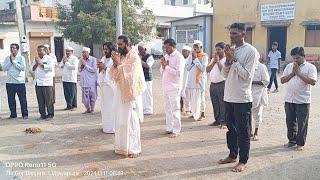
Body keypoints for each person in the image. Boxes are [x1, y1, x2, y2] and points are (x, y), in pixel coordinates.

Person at [218, 23, 259, 172]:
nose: (231, 36)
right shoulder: (231, 50)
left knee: (243, 131)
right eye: (230, 33)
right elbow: (224, 74)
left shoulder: (251, 51)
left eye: (235, 33)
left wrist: (233, 60)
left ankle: (243, 160)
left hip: (242, 98)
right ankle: (232, 155)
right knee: (231, 130)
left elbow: (246, 76)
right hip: (228, 96)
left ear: (244, 34)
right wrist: (228, 60)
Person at [110, 35, 146, 158]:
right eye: (117, 44)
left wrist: (119, 64)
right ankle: (122, 147)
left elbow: (132, 77)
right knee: (121, 121)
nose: (118, 47)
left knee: (131, 122)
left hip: (131, 94)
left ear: (127, 44)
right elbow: (114, 75)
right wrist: (115, 64)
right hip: (120, 93)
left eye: (120, 44)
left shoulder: (134, 57)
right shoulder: (122, 56)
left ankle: (134, 149)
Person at [281, 47, 317, 151]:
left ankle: (300, 143)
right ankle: (292, 141)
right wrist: (293, 73)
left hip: (302, 100)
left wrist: (298, 73)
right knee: (290, 121)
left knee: (302, 123)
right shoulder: (289, 66)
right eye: (294, 58)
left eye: (298, 58)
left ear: (303, 56)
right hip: (289, 99)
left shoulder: (310, 67)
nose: (295, 60)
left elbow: (313, 82)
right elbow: (283, 80)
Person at [160, 38, 184, 138]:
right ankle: (169, 128)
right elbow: (162, 71)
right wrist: (163, 66)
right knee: (167, 108)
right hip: (165, 86)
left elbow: (178, 73)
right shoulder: (166, 56)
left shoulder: (179, 57)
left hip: (174, 86)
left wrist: (167, 67)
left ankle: (176, 130)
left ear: (173, 47)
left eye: (168, 47)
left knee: (175, 108)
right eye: (165, 48)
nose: (166, 50)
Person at [2, 43, 28, 119]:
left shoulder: (21, 58)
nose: (12, 49)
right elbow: (4, 68)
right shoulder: (7, 58)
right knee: (11, 99)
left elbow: (22, 68)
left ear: (17, 49)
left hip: (19, 82)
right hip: (10, 82)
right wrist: (10, 61)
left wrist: (14, 62)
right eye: (11, 48)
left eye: (13, 48)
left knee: (22, 99)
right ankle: (13, 114)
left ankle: (25, 114)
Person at [185, 40, 208, 121]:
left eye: (196, 47)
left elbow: (202, 69)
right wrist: (192, 60)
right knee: (192, 98)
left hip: (200, 81)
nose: (195, 49)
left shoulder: (204, 56)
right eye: (194, 47)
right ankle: (195, 113)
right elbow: (187, 68)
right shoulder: (191, 56)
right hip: (191, 80)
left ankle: (202, 114)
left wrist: (196, 60)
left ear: (201, 47)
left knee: (201, 97)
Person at [32, 45, 55, 120]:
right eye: (38, 50)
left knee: (49, 100)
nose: (39, 52)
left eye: (40, 50)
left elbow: (50, 68)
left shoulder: (49, 59)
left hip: (46, 82)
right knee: (40, 100)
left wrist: (41, 63)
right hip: (38, 83)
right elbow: (32, 69)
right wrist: (36, 63)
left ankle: (50, 114)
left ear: (45, 50)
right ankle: (42, 115)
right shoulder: (36, 59)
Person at [97, 42, 116, 134]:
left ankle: (112, 128)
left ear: (111, 49)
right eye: (104, 49)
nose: (105, 51)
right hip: (104, 86)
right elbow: (100, 72)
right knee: (104, 108)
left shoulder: (114, 59)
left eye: (106, 49)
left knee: (111, 108)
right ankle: (106, 126)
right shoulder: (103, 58)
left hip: (111, 87)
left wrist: (105, 68)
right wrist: (100, 69)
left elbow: (116, 72)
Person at [207, 42, 226, 127]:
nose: (217, 51)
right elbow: (207, 70)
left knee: (222, 104)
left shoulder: (226, 59)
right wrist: (214, 62)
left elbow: (224, 71)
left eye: (219, 49)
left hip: (222, 84)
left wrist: (218, 62)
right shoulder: (213, 59)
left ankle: (223, 121)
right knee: (215, 103)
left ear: (223, 50)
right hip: (213, 84)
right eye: (216, 49)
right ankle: (217, 120)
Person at [251, 59, 270, 141]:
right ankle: (249, 132)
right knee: (246, 115)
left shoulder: (262, 67)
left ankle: (256, 132)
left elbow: (266, 81)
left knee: (257, 115)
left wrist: (251, 82)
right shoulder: (247, 66)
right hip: (247, 94)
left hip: (259, 94)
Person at [59, 46, 79, 111]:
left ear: (72, 52)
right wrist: (63, 62)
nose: (67, 52)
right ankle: (69, 105)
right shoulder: (64, 58)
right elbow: (60, 66)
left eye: (69, 51)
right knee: (66, 93)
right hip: (65, 78)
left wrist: (66, 63)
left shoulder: (74, 58)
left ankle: (74, 106)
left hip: (71, 78)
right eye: (66, 51)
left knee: (73, 93)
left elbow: (74, 67)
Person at [79, 47, 98, 114]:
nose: (83, 54)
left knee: (93, 96)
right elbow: (79, 70)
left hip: (92, 82)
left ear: (88, 53)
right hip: (84, 82)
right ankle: (88, 108)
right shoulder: (81, 59)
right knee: (85, 98)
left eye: (84, 52)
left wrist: (85, 65)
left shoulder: (93, 59)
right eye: (83, 52)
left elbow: (94, 70)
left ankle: (92, 109)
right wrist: (82, 66)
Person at [138, 42, 155, 115]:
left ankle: (148, 109)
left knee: (148, 94)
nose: (139, 51)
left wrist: (139, 60)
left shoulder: (149, 57)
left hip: (148, 78)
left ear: (144, 49)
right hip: (141, 78)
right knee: (141, 94)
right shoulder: (139, 56)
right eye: (138, 50)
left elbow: (147, 66)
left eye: (140, 49)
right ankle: (143, 109)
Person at [181, 45, 192, 115]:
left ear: (188, 52)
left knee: (189, 95)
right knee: (183, 94)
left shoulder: (191, 59)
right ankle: (184, 108)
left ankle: (189, 109)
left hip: (189, 79)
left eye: (185, 51)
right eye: (182, 51)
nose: (183, 53)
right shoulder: (181, 59)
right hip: (182, 79)